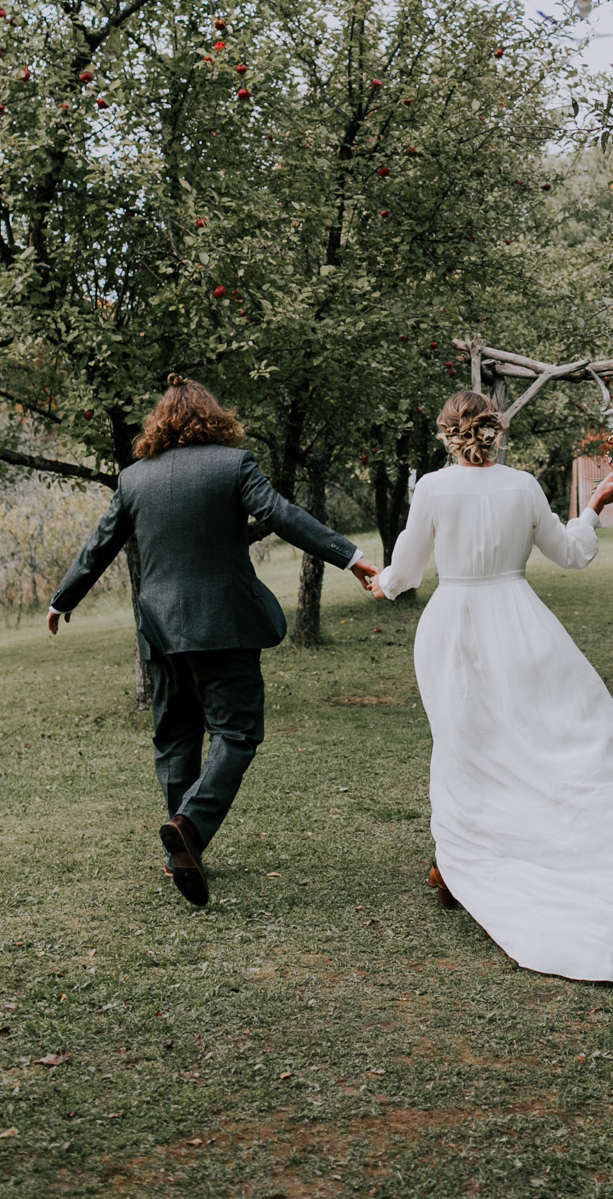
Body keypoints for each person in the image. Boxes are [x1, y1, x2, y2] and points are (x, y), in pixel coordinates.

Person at [366, 391, 613, 985]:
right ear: (495, 432)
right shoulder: (522, 486)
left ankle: (468, 861)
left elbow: (407, 572)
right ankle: (469, 862)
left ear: (446, 434)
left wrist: (381, 584)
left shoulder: (433, 489)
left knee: (471, 744)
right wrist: (593, 504)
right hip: (522, 624)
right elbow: (570, 554)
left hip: (455, 627)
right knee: (552, 741)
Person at [48, 376, 379, 906]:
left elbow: (100, 544)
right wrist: (348, 556)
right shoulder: (234, 465)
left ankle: (186, 844)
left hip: (160, 629)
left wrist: (63, 598)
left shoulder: (133, 479)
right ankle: (190, 828)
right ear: (213, 418)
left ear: (159, 423)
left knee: (175, 737)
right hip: (223, 625)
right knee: (238, 733)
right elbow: (280, 514)